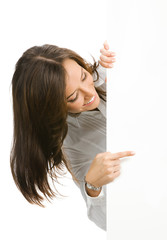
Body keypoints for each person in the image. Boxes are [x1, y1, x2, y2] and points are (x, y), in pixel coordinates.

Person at [10, 41, 135, 231]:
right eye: (73, 97)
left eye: (84, 76)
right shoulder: (73, 143)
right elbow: (109, 223)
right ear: (52, 108)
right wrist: (93, 187)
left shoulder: (101, 76)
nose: (89, 92)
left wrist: (122, 58)